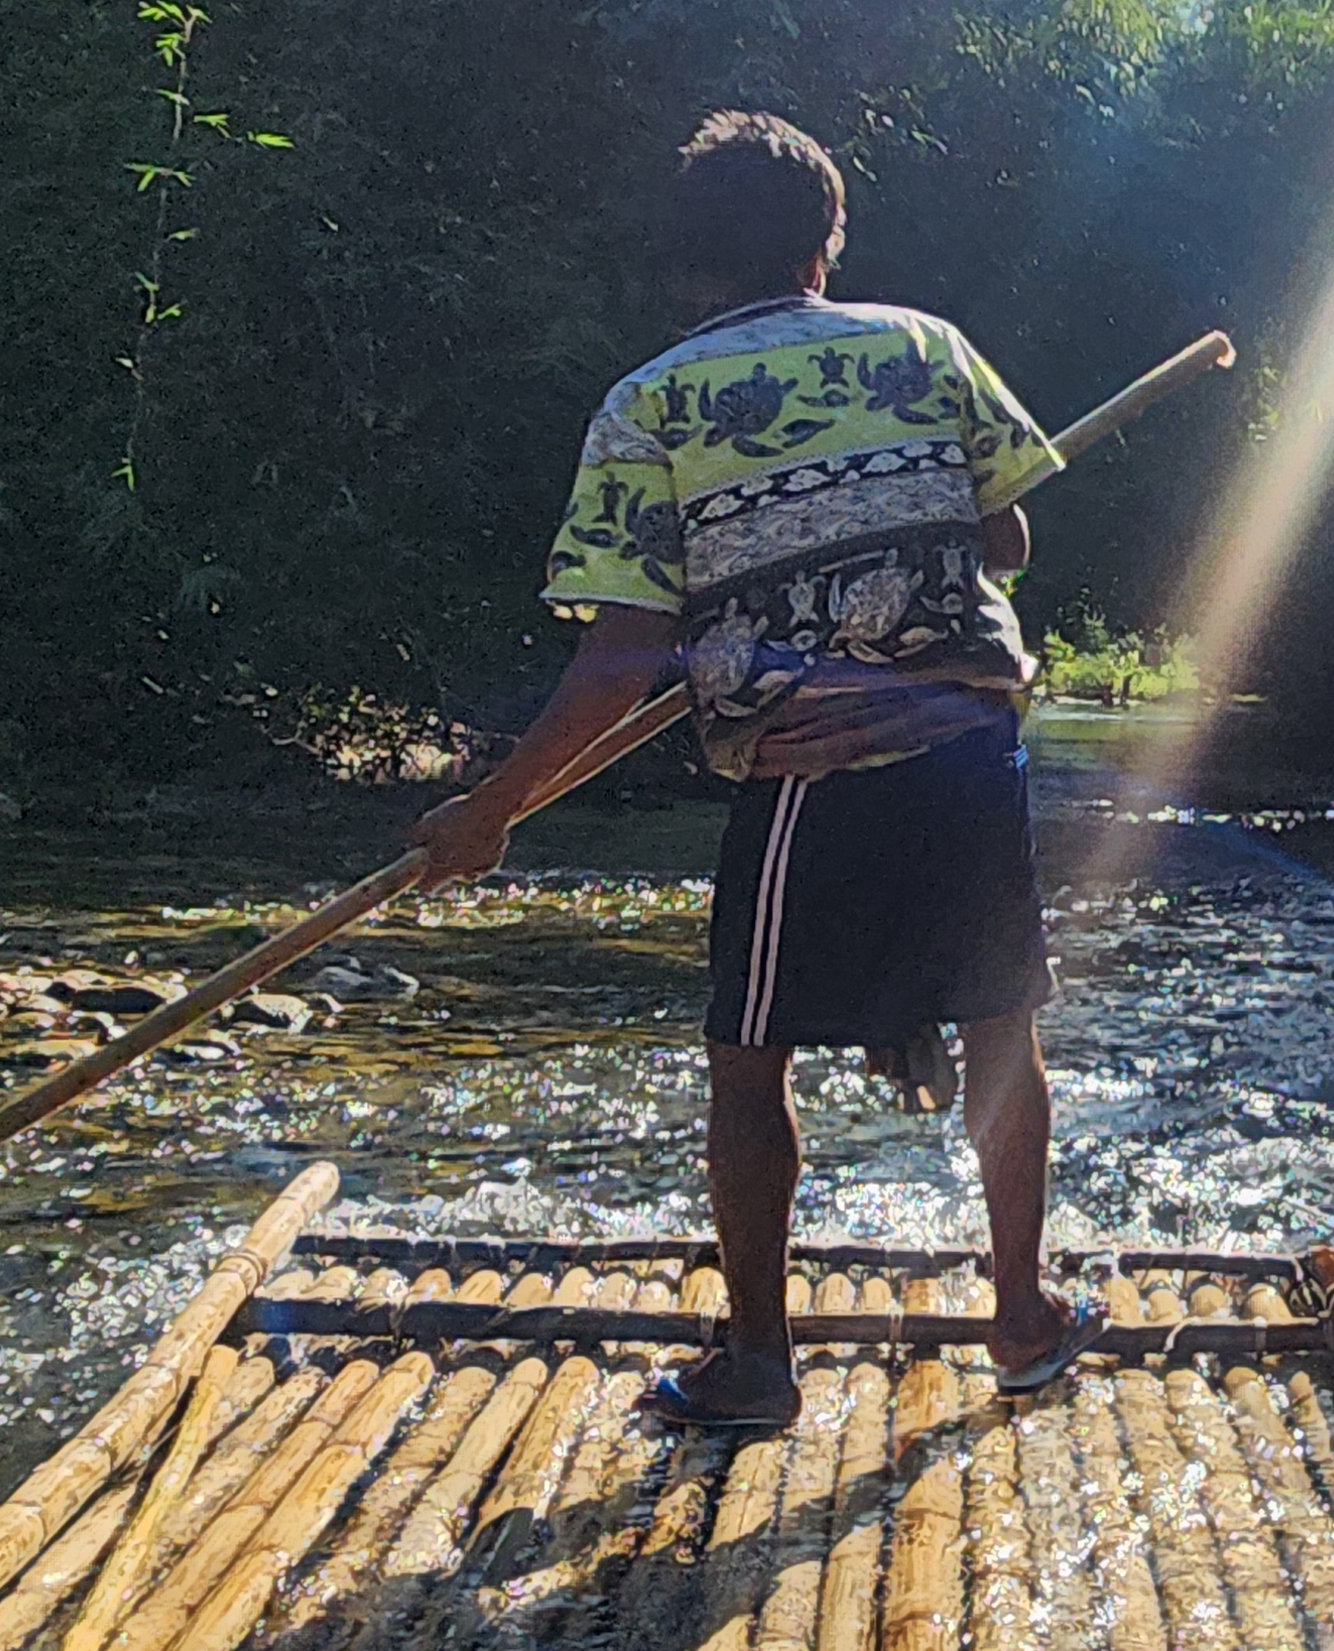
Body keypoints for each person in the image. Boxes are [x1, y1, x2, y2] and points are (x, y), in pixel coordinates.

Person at [409, 108, 1101, 1426]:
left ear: (684, 265)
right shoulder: (926, 347)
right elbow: (1003, 537)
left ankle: (761, 1366)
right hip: (971, 743)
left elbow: (623, 664)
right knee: (1000, 1027)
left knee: (749, 1053)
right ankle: (1021, 1319)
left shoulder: (649, 407)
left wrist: (491, 813)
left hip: (808, 762)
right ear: (827, 243)